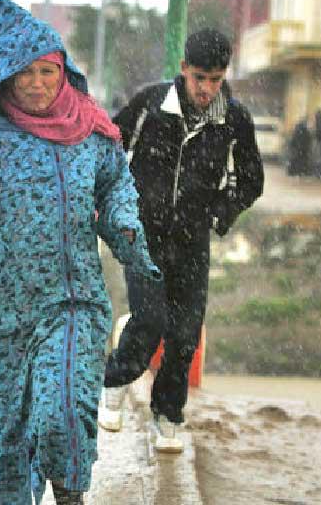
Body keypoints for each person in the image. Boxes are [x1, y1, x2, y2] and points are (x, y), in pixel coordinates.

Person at [0, 0, 160, 505]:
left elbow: (116, 188)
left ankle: (70, 496)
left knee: (64, 411)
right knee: (5, 438)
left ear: (63, 71)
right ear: (5, 76)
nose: (35, 84)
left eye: (46, 71)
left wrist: (128, 234)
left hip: (70, 300)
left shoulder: (91, 131)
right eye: (24, 73)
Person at [98, 29, 264, 453]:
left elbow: (251, 181)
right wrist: (117, 210)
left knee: (185, 334)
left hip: (193, 242)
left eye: (216, 79)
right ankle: (114, 381)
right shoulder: (150, 105)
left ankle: (167, 414)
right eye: (200, 79)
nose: (207, 89)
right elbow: (108, 154)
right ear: (184, 70)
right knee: (150, 319)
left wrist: (219, 213)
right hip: (143, 237)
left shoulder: (234, 120)